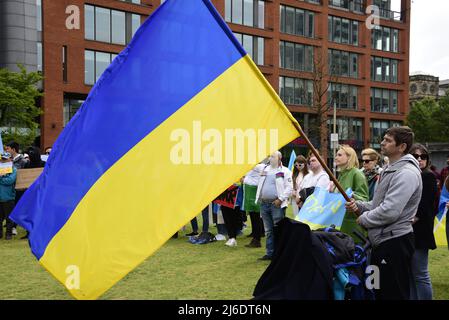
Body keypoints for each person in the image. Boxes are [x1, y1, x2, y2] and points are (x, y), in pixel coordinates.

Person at [346, 126, 422, 300]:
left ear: (401, 147)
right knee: (377, 290)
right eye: (384, 139)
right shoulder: (391, 168)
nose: (382, 142)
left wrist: (364, 218)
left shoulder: (406, 173)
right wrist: (360, 206)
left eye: (388, 140)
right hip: (381, 242)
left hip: (394, 243)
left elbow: (390, 211)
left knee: (392, 293)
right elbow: (377, 204)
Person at [408, 144, 438, 300]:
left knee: (420, 274)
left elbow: (424, 205)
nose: (419, 159)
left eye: (423, 156)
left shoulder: (428, 176)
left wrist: (407, 222)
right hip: (409, 230)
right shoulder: (410, 175)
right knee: (410, 275)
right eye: (415, 156)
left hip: (419, 230)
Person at [255, 151, 293, 261]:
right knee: (268, 230)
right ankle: (270, 253)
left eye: (272, 156)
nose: (270, 158)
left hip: (276, 204)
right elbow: (251, 166)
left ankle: (280, 253)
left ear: (279, 158)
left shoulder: (285, 171)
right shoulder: (264, 169)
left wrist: (280, 199)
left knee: (278, 229)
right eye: (269, 156)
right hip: (264, 203)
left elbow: (289, 188)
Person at [334, 145, 369, 240]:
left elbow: (364, 199)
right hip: (341, 221)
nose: (336, 157)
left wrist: (351, 194)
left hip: (352, 223)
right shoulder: (341, 174)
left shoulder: (357, 173)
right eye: (336, 155)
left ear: (349, 157)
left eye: (339, 155)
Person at [242, 162, 266, 248]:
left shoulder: (259, 166)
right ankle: (255, 236)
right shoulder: (252, 166)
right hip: (250, 192)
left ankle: (257, 239)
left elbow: (265, 171)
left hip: (254, 192)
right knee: (253, 216)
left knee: (256, 216)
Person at [0, 152, 17, 240]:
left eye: (5, 159)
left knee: (9, 217)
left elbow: (10, 181)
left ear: (10, 159)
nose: (3, 161)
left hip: (8, 197)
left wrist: (1, 178)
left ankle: (9, 233)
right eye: (2, 159)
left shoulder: (13, 169)